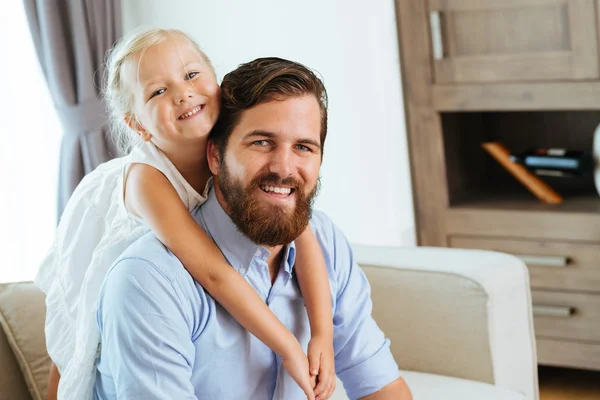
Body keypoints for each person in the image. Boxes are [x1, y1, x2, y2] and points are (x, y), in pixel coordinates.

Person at [37, 28, 334, 400]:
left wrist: (322, 334)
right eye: (158, 91)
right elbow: (212, 272)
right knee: (75, 346)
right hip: (107, 240)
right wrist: (288, 345)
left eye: (191, 75)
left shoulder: (231, 147)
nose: (182, 93)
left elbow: (302, 235)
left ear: (217, 84)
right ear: (138, 126)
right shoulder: (148, 179)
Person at [94, 57, 413, 399]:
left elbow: (379, 385)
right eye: (261, 142)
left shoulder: (323, 239)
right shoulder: (151, 279)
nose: (284, 168)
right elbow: (214, 275)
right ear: (215, 156)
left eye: (303, 147)